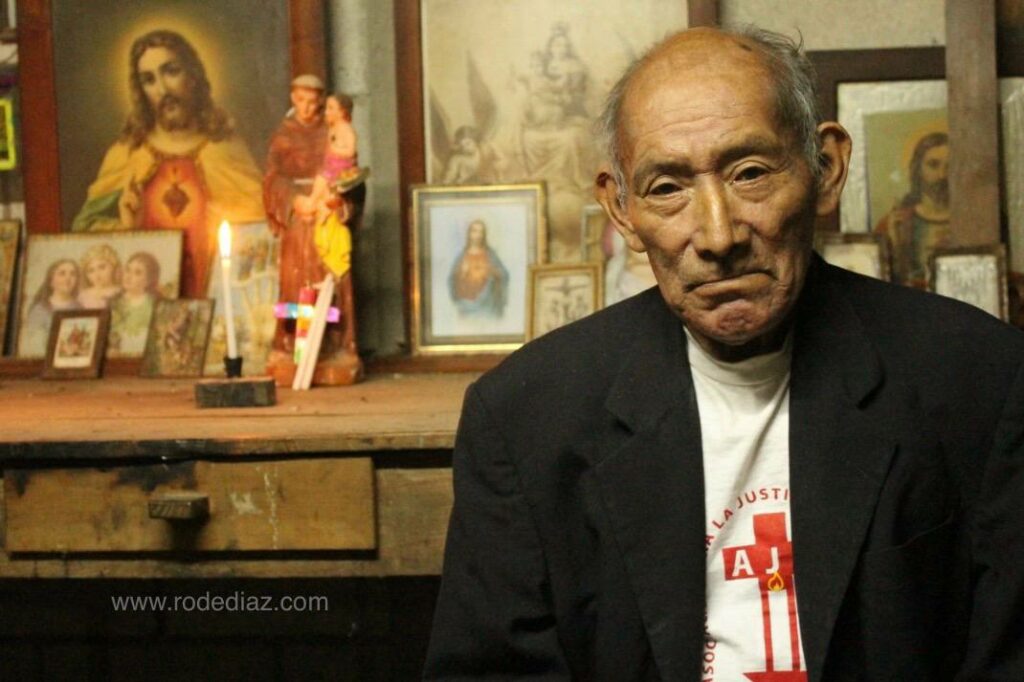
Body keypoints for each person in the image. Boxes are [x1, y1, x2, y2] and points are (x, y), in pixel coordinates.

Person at [425, 26, 1024, 681]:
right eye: (666, 188)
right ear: (620, 208)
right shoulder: (525, 418)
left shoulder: (980, 379)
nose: (717, 235)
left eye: (750, 173)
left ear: (827, 168)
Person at [71, 30, 264, 297]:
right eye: (148, 80)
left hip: (216, 298)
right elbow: (86, 234)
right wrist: (128, 228)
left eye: (171, 71)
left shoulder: (226, 149)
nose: (162, 90)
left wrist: (229, 219)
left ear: (193, 76)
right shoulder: (126, 155)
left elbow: (264, 229)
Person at [263, 76, 364, 381]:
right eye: (300, 100)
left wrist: (337, 202)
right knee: (298, 285)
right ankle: (297, 348)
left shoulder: (332, 131)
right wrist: (295, 200)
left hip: (326, 219)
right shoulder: (284, 135)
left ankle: (334, 347)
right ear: (292, 98)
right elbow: (271, 180)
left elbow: (351, 174)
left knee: (330, 283)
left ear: (322, 102)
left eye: (313, 101)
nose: (307, 108)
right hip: (299, 225)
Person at [873, 131, 951, 288]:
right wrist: (895, 247)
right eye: (933, 165)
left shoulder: (970, 221)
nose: (942, 175)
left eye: (949, 166)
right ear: (918, 169)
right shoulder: (896, 222)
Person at [19, 259, 80, 357]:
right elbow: (34, 346)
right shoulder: (40, 310)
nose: (68, 278)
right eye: (62, 273)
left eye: (73, 274)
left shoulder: (80, 308)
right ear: (51, 280)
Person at [447, 219, 508, 318]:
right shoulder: (462, 256)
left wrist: (494, 272)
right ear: (469, 234)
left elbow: (504, 275)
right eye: (475, 231)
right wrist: (461, 273)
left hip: (488, 305)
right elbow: (452, 281)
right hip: (466, 306)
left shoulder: (491, 255)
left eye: (481, 232)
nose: (478, 235)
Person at [109, 251, 162, 356]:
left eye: (137, 273)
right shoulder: (114, 303)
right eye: (128, 270)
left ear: (148, 280)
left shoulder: (154, 304)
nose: (128, 276)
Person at [77, 243, 122, 309]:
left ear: (113, 266)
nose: (97, 274)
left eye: (102, 267)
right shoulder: (83, 297)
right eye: (91, 271)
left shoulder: (121, 293)